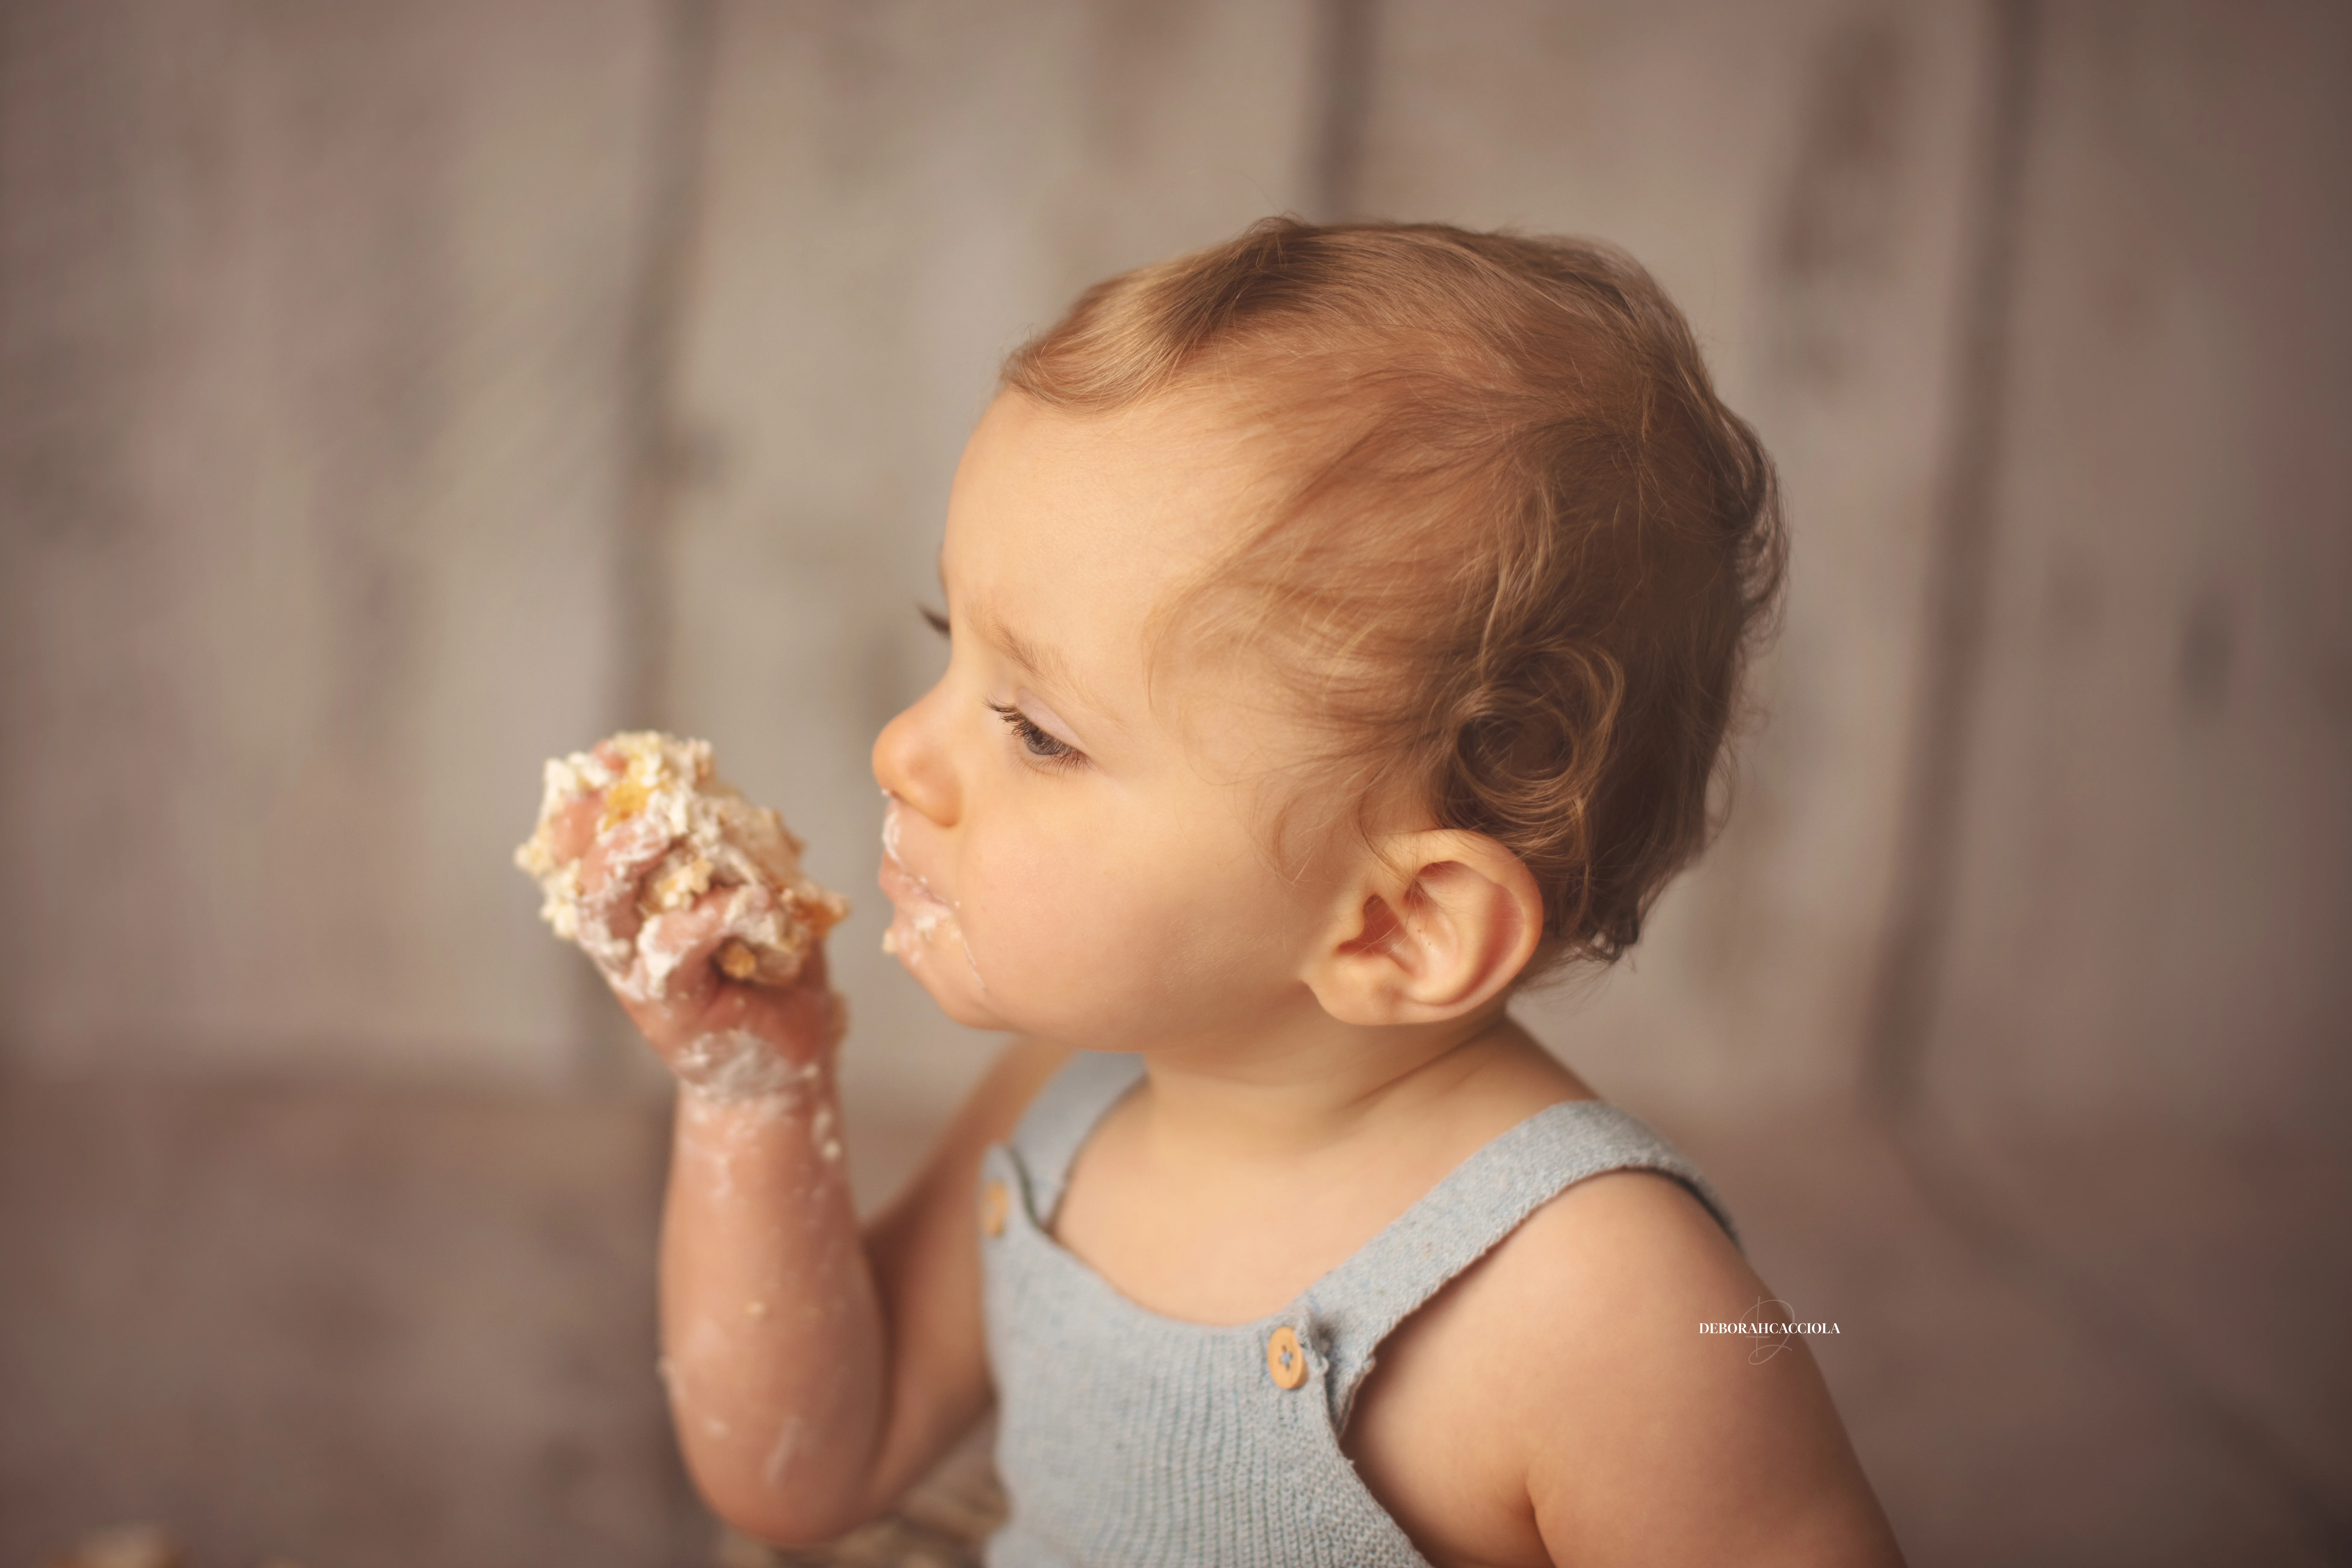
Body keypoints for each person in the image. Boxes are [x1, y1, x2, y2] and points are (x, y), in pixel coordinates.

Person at [550, 219, 1905, 1565]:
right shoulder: (1069, 1100)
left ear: (1400, 924)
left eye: (1037, 730)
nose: (901, 748)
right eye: (947, 642)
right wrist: (755, 1089)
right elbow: (811, 1467)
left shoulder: (1600, 1299)